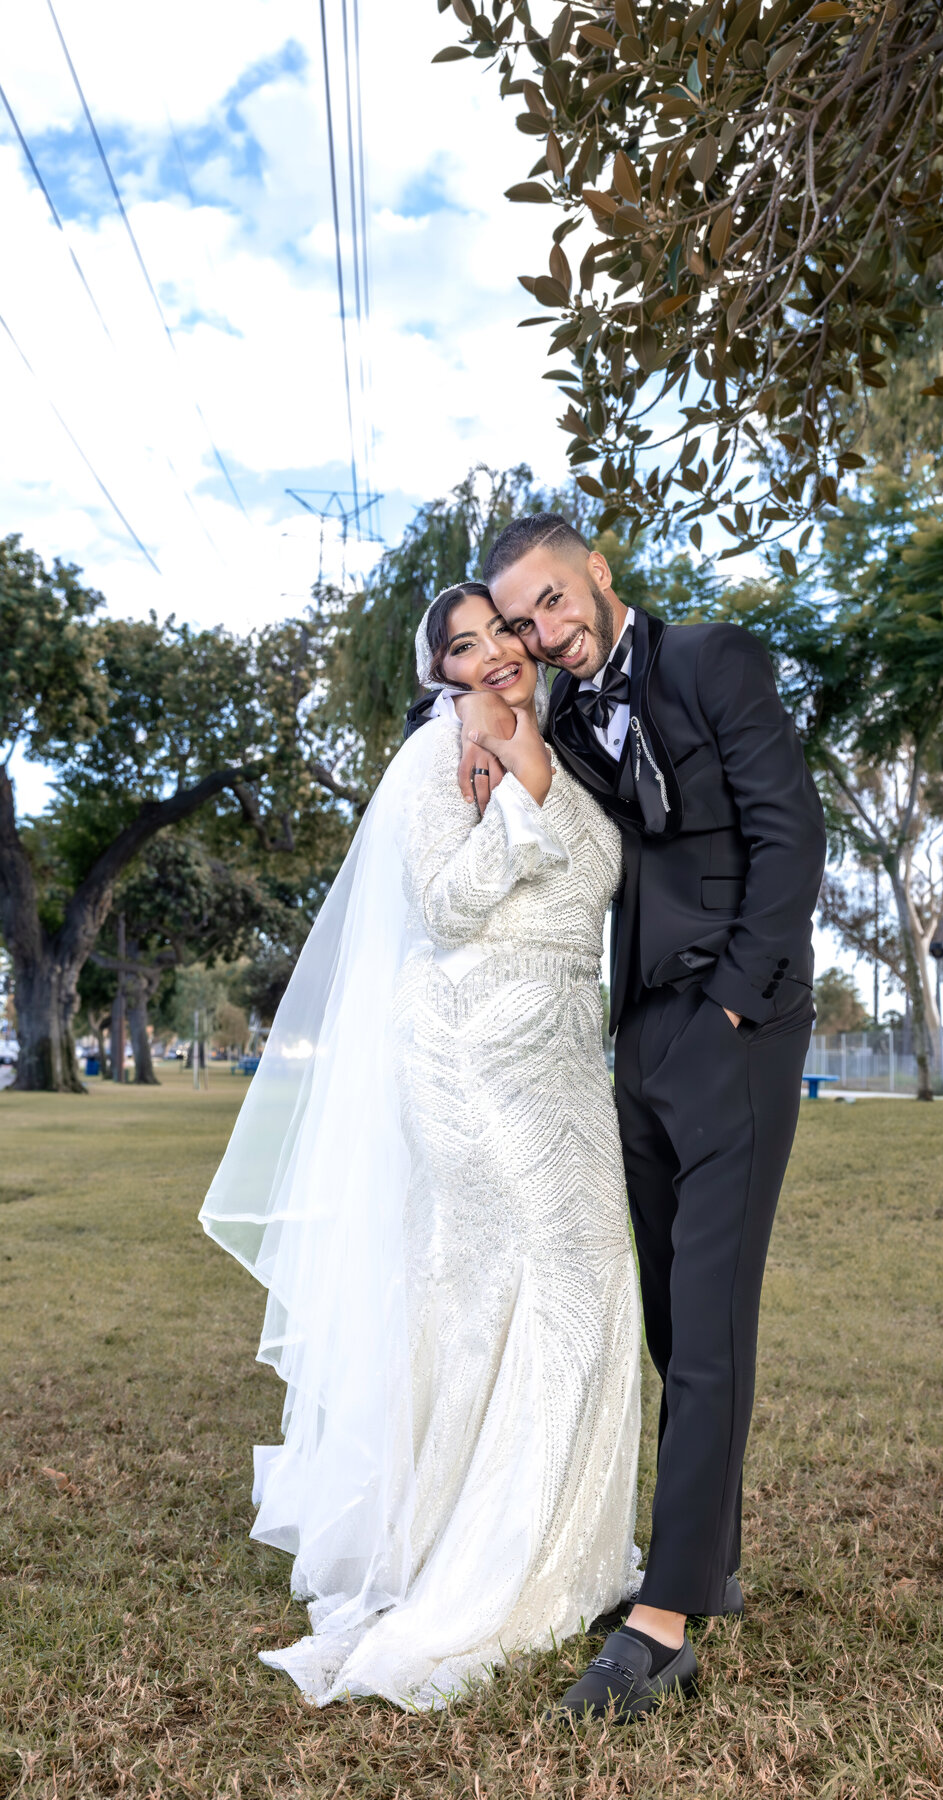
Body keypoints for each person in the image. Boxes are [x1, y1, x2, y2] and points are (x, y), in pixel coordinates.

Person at [409, 517, 826, 1720]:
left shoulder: (711, 659)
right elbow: (505, 745)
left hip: (735, 1027)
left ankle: (663, 1624)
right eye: (521, 621)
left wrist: (738, 1005)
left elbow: (790, 832)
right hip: (634, 1038)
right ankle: (708, 1563)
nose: (543, 631)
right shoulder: (566, 709)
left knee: (711, 1325)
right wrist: (476, 728)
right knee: (673, 1326)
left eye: (552, 599)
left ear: (596, 571)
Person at [199, 582, 642, 1710]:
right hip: (470, 1053)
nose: (493, 654)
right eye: (464, 645)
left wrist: (537, 775)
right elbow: (444, 907)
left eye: (503, 632)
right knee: (525, 1283)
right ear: (438, 670)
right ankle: (487, 1563)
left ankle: (572, 1550)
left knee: (588, 1283)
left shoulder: (557, 740)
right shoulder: (445, 753)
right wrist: (519, 806)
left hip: (563, 1058)